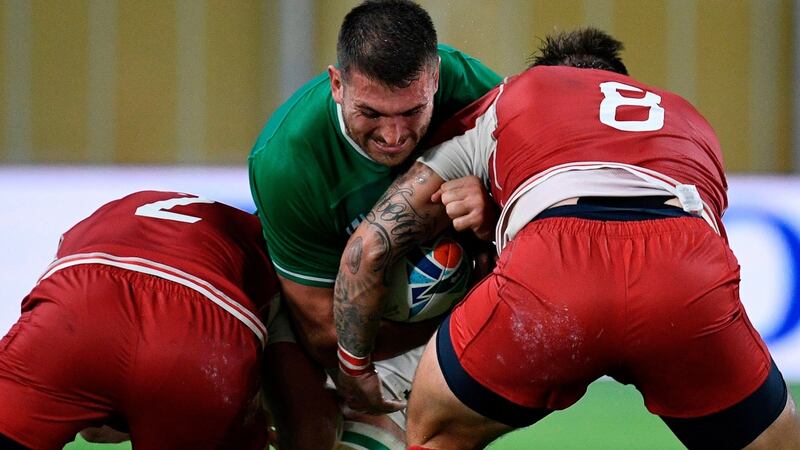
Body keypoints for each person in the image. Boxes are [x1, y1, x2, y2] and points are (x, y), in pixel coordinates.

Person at [332, 28, 800, 449]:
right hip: (683, 273)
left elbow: (371, 246)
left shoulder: (514, 95)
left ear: (552, 75)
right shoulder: (689, 117)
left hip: (554, 273)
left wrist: (354, 371)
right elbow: (702, 228)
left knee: (435, 431)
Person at [248, 0, 501, 448]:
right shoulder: (285, 162)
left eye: (412, 111)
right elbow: (326, 334)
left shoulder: (479, 96)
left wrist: (496, 207)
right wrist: (458, 315)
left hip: (442, 315)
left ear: (436, 79)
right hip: (338, 328)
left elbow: (545, 208)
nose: (394, 135)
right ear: (337, 84)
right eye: (373, 114)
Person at [0, 190, 278, 449]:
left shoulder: (112, 211)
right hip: (203, 325)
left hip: (79, 298)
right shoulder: (274, 250)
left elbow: (94, 429)